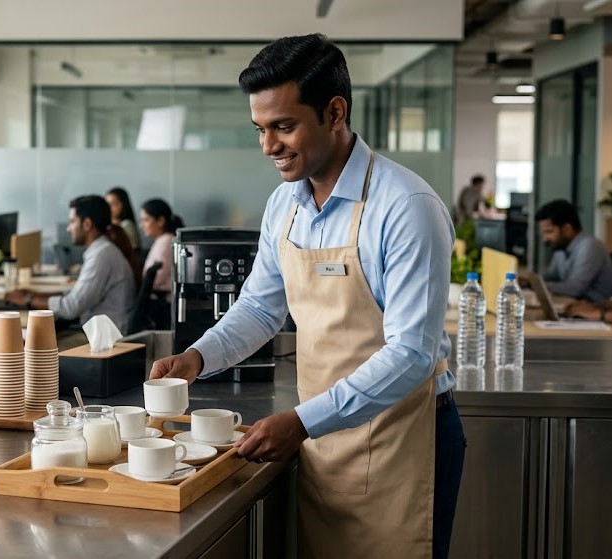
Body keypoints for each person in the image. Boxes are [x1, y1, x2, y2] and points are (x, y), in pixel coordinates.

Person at [149, 34, 463, 558]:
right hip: (325, 436)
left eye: (284, 126)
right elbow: (258, 308)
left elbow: (412, 354)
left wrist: (301, 421)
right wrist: (197, 357)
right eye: (261, 129)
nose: (269, 146)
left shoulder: (405, 206)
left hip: (402, 439)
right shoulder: (284, 205)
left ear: (335, 111)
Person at [5, 195, 135, 333]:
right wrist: (37, 295)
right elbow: (77, 295)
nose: (68, 228)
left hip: (105, 340)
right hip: (101, 333)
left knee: (35, 344)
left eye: (72, 222)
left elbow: (71, 307)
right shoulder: (101, 250)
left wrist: (28, 299)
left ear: (87, 224)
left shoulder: (102, 256)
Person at [530, 199, 612, 302]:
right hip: (574, 303)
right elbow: (553, 275)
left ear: (567, 229)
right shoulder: (561, 247)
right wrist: (531, 280)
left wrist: (536, 286)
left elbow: (575, 288)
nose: (545, 238)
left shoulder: (589, 246)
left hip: (594, 310)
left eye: (549, 232)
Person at [139, 198, 183, 297]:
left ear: (160, 221)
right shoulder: (162, 240)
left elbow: (155, 280)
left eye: (146, 220)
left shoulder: (166, 242)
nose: (142, 225)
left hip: (163, 304)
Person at [105, 187, 141, 252]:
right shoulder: (107, 224)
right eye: (107, 204)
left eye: (113, 204)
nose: (109, 208)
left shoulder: (126, 224)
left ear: (123, 204)